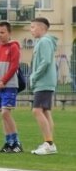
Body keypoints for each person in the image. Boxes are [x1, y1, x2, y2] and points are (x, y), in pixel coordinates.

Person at [0, 21, 22, 153]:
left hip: (9, 85)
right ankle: (8, 142)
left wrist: (3, 80)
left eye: (2, 32)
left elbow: (14, 66)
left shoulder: (13, 47)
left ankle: (16, 142)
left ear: (9, 33)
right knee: (2, 115)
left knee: (5, 112)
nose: (0, 35)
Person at [28, 17, 58, 155]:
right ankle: (49, 142)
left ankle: (49, 143)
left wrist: (34, 76)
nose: (31, 30)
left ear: (41, 28)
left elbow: (45, 62)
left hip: (43, 82)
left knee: (37, 110)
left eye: (33, 27)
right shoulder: (44, 41)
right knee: (45, 111)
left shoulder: (44, 41)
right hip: (46, 82)